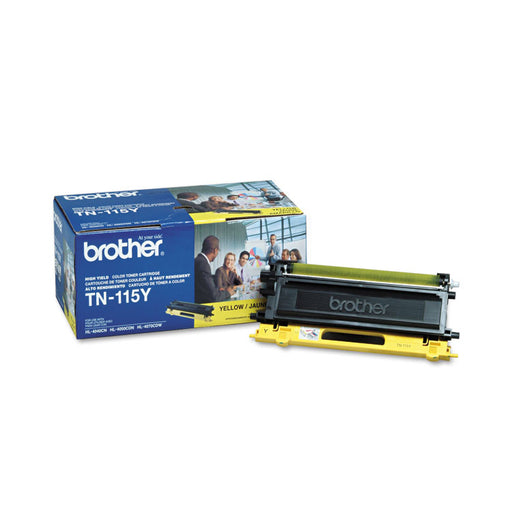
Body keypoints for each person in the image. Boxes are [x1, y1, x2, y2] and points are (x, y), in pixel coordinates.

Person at [195, 236, 235, 303]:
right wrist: (228, 293)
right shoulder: (203, 264)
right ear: (215, 250)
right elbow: (214, 296)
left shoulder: (198, 260)